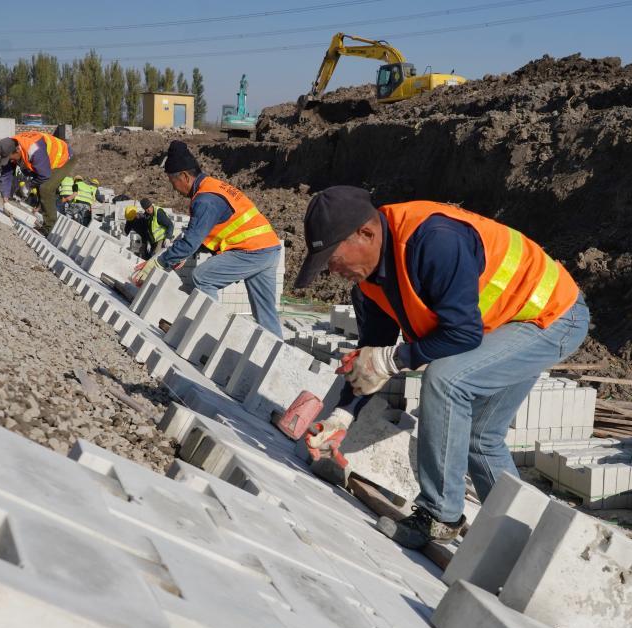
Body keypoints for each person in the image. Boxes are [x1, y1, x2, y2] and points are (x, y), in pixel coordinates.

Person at [294, 186, 590, 549]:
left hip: (551, 315)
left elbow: (462, 334)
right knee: (481, 436)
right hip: (505, 321)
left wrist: (394, 360)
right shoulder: (368, 283)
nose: (333, 270)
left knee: (446, 381)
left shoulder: (434, 241)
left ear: (366, 233)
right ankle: (524, 542)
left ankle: (439, 516)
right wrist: (342, 416)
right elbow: (372, 356)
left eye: (334, 258)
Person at [131, 141, 283, 337]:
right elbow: (204, 233)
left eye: (172, 182)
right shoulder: (213, 186)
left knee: (203, 277)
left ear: (184, 176)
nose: (174, 188)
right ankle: (276, 352)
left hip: (252, 251)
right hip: (268, 248)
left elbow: (190, 242)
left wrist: (159, 262)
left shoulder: (205, 200)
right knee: (266, 315)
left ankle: (210, 334)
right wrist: (184, 253)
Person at [0, 132, 74, 232]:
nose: (10, 161)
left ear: (18, 150)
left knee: (46, 188)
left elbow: (44, 175)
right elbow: (6, 175)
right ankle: (41, 210)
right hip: (44, 161)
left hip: (64, 157)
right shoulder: (9, 147)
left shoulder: (34, 150)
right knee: (36, 181)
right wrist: (5, 201)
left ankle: (49, 228)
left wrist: (28, 186)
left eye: (10, 158)